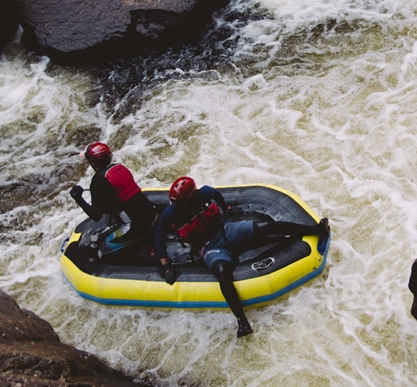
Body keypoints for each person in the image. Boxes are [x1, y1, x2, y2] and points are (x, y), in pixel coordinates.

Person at [155, 176, 330, 338]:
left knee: (266, 227)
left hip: (225, 230)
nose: (175, 205)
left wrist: (225, 208)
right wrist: (166, 266)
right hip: (208, 246)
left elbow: (216, 194)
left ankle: (316, 229)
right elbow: (159, 239)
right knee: (222, 271)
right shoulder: (171, 213)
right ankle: (242, 322)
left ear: (192, 196)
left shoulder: (204, 193)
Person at [69, 142, 158, 258]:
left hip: (135, 225)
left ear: (93, 162)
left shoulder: (97, 181)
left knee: (102, 252)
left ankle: (143, 251)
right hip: (152, 213)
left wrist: (78, 198)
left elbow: (96, 216)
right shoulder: (119, 168)